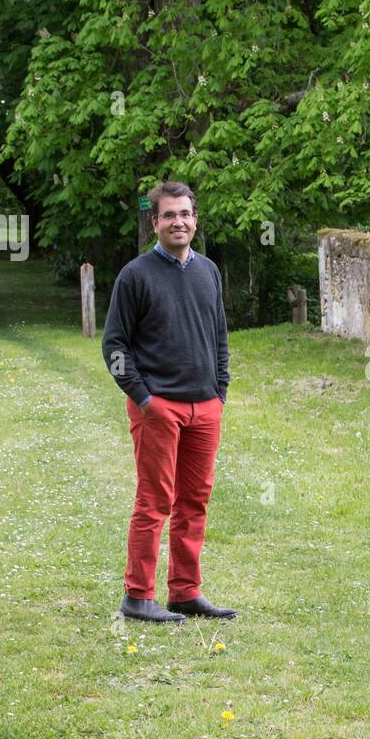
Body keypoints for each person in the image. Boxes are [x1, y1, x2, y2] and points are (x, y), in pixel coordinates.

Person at [101, 181, 237, 624]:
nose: (178, 222)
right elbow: (115, 345)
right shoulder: (135, 275)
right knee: (154, 501)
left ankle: (184, 591)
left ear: (195, 219)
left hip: (205, 409)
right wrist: (144, 398)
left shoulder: (209, 271)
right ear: (154, 222)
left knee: (194, 502)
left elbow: (218, 336)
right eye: (168, 215)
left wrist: (220, 392)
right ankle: (137, 596)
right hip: (158, 408)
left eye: (185, 214)